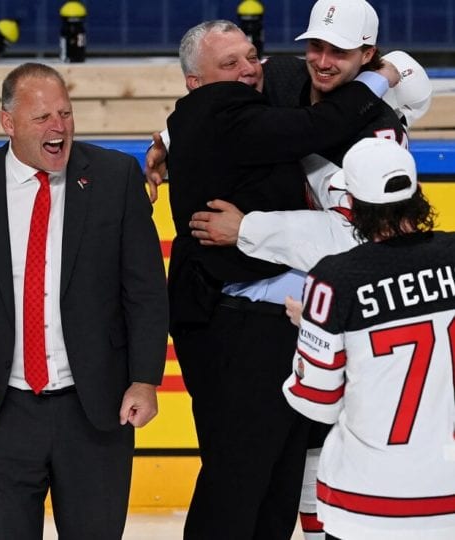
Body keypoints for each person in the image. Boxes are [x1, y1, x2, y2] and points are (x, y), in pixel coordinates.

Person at [164, 18, 399, 540]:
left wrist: (248, 227)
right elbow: (314, 130)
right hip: (241, 326)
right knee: (239, 480)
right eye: (231, 64)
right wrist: (387, 73)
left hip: (284, 323)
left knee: (277, 480)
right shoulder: (217, 112)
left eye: (251, 56)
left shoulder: (259, 94)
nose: (250, 70)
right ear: (197, 83)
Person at [0, 62, 168, 539]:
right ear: (7, 123)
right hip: (0, 413)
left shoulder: (115, 177)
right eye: (42, 118)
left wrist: (144, 379)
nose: (59, 128)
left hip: (96, 412)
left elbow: (145, 290)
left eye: (66, 114)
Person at [282, 137, 455, 540]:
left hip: (371, 499)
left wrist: (311, 325)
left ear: (353, 204)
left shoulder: (336, 279)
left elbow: (317, 401)